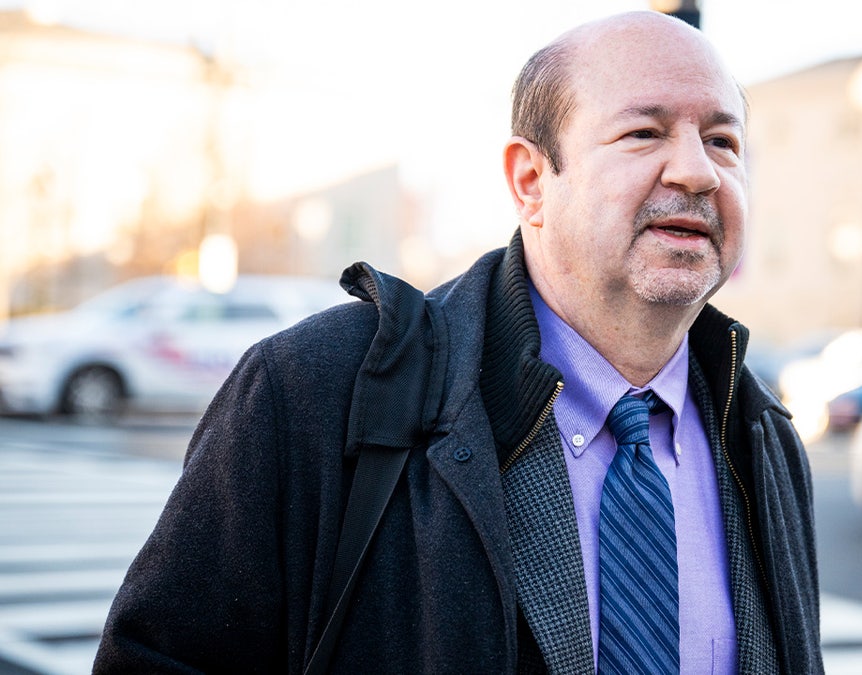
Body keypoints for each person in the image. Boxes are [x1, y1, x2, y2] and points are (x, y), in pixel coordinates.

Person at [95, 10, 823, 674]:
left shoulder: (764, 437)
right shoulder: (311, 392)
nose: (697, 169)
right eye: (644, 132)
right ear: (532, 180)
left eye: (722, 141)